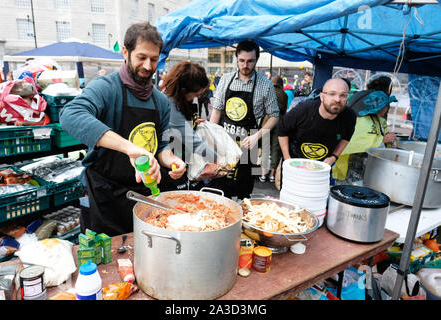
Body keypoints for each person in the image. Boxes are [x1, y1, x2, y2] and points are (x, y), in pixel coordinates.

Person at [59, 22, 186, 236]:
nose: (148, 65)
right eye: (141, 57)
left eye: (154, 59)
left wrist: (171, 161)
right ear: (125, 52)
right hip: (104, 196)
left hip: (144, 195)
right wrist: (130, 149)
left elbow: (162, 145)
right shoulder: (106, 88)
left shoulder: (161, 102)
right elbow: (70, 115)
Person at [209, 39, 280, 200]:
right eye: (241, 61)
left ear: (256, 60)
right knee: (218, 187)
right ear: (236, 59)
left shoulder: (265, 85)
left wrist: (257, 136)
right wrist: (212, 137)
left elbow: (274, 116)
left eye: (250, 61)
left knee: (244, 189)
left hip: (250, 143)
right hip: (224, 142)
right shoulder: (226, 80)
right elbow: (217, 111)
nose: (245, 65)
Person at [277, 78, 357, 188]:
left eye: (343, 95)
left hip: (321, 168)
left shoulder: (349, 116)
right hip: (295, 163)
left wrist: (333, 157)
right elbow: (282, 128)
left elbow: (346, 137)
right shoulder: (303, 110)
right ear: (322, 96)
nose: (337, 99)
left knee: (317, 200)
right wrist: (287, 159)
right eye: (332, 94)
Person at [159, 61, 219, 190]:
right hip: (171, 162)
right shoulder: (170, 104)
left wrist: (192, 123)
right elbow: (193, 142)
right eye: (196, 94)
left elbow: (177, 127)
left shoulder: (179, 99)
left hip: (183, 156)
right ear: (183, 90)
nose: (197, 97)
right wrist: (220, 159)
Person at [332, 76, 398, 184]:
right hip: (354, 162)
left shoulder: (374, 116)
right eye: (386, 105)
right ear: (378, 106)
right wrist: (381, 140)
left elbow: (380, 130)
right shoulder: (363, 121)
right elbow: (356, 141)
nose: (387, 109)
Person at [260, 75, 288, 183]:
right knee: (276, 149)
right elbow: (284, 111)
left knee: (265, 147)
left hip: (267, 121)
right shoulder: (284, 95)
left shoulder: (268, 92)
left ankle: (263, 175)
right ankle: (272, 175)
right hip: (279, 122)